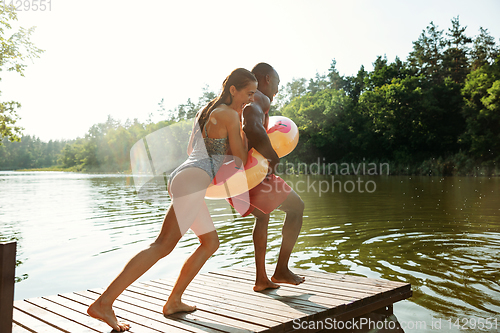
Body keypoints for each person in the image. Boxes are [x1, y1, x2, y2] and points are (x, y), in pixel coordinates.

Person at [87, 68, 257, 332]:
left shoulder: (206, 110)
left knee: (210, 242)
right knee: (162, 246)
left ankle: (174, 301)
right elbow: (241, 159)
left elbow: (192, 150)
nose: (251, 99)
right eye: (249, 93)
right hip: (193, 179)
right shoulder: (231, 115)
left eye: (255, 94)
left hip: (185, 174)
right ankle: (104, 303)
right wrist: (247, 133)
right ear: (233, 89)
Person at [227, 63, 305, 292]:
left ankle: (261, 279)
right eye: (277, 84)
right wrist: (273, 158)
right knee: (297, 208)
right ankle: (281, 269)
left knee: (262, 217)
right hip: (254, 174)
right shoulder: (260, 97)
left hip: (234, 174)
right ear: (266, 79)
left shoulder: (239, 101)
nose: (277, 91)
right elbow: (250, 126)